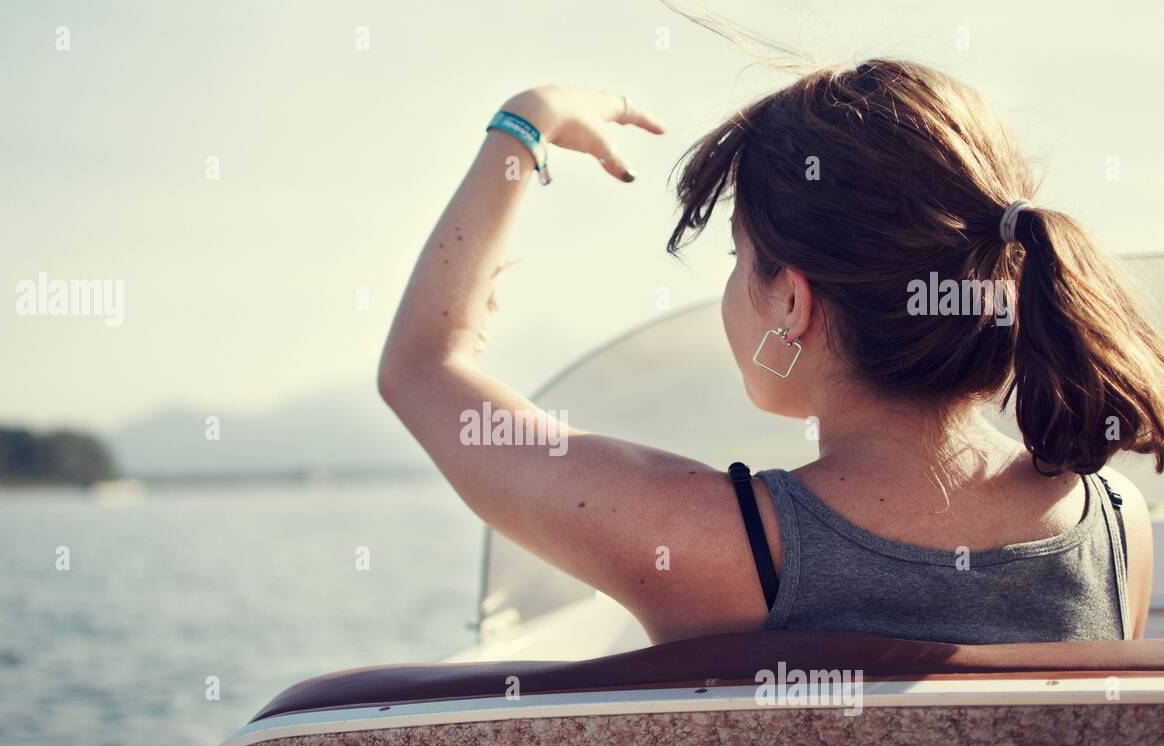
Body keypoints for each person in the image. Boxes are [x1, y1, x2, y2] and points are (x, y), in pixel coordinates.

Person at [377, 63, 1163, 645]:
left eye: (734, 255)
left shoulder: (717, 544)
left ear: (791, 299)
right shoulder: (1118, 527)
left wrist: (525, 123)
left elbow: (421, 369)